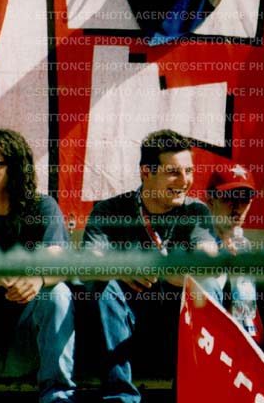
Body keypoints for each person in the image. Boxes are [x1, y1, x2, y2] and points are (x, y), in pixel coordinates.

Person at [82, 129, 219, 403]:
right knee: (104, 287)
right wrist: (122, 267)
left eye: (189, 171)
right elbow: (88, 263)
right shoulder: (109, 210)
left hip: (175, 333)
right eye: (174, 172)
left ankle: (194, 396)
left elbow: (207, 264)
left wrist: (163, 268)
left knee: (207, 286)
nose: (185, 181)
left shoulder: (195, 211)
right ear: (146, 172)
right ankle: (120, 399)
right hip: (122, 332)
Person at [0, 129, 75, 403]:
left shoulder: (41, 207)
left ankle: (57, 397)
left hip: (27, 343)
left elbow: (59, 258)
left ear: (14, 167)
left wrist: (37, 278)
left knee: (57, 294)